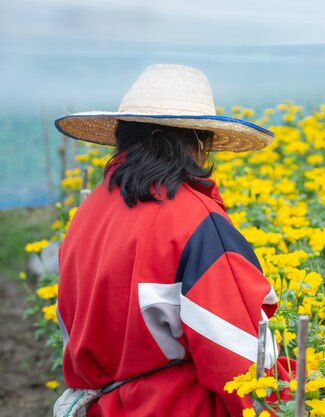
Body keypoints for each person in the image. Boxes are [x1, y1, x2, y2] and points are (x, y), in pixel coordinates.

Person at [53, 64, 293, 417]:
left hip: (101, 407)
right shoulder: (194, 220)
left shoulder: (89, 209)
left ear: (123, 136)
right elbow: (244, 365)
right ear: (200, 141)